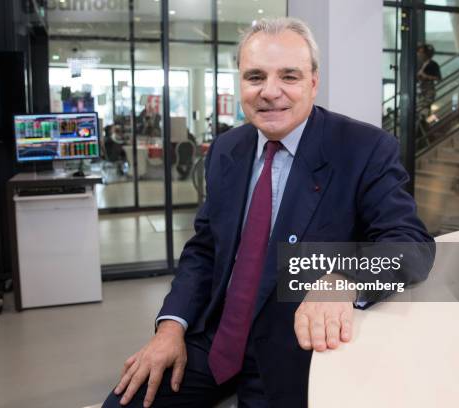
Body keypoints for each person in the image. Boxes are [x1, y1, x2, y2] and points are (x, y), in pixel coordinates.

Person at [102, 17, 434, 408]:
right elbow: (205, 250)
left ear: (313, 82)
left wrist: (343, 280)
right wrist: (171, 326)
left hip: (298, 347)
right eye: (255, 76)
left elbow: (411, 246)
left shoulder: (364, 148)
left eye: (289, 76)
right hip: (215, 337)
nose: (269, 92)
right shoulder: (227, 150)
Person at [417, 44, 442, 119]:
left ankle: (423, 126)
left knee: (424, 111)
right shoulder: (422, 64)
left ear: (426, 54)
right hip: (421, 90)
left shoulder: (433, 64)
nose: (419, 55)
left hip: (428, 91)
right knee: (420, 109)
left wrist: (426, 76)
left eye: (421, 53)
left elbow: (438, 78)